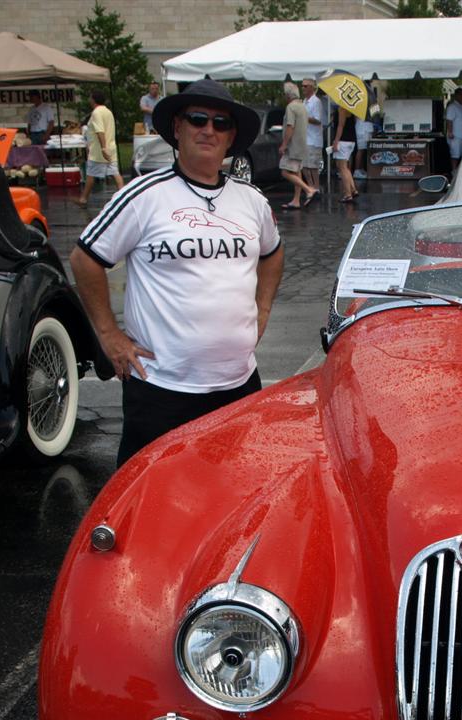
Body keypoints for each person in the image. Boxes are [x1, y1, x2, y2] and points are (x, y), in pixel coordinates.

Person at [69, 79, 283, 468]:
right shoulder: (143, 195)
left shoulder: (251, 200)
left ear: (231, 136)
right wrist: (108, 335)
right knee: (151, 503)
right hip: (161, 390)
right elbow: (86, 258)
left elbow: (273, 252)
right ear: (178, 129)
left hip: (239, 384)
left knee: (231, 494)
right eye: (197, 119)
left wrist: (262, 309)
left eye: (220, 123)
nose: (209, 129)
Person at [78, 90, 124, 205]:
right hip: (111, 148)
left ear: (93, 100)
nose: (89, 100)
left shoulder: (96, 113)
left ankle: (83, 199)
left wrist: (103, 148)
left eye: (90, 98)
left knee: (91, 175)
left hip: (99, 150)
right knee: (115, 173)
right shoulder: (108, 112)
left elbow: (100, 131)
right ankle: (124, 196)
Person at [278, 81, 316, 209]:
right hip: (302, 144)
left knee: (285, 171)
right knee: (297, 171)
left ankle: (308, 189)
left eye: (284, 94)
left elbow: (290, 126)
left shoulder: (291, 107)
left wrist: (284, 144)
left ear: (288, 95)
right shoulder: (302, 106)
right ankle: (296, 200)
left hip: (293, 146)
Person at [301, 78, 325, 192]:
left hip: (314, 139)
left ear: (311, 87)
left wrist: (304, 117)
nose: (303, 88)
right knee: (304, 165)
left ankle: (316, 187)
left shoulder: (316, 102)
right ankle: (311, 186)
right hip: (305, 138)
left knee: (313, 166)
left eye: (305, 86)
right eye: (302, 86)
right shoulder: (304, 101)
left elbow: (318, 120)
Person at [331, 105, 358, 202]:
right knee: (344, 166)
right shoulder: (351, 109)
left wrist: (336, 141)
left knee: (342, 168)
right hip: (351, 140)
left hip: (343, 140)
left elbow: (340, 125)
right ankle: (353, 189)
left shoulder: (342, 109)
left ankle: (347, 194)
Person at [353, 81, 378, 179]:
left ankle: (361, 168)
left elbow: (375, 112)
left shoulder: (369, 97)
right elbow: (374, 112)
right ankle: (357, 170)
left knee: (364, 150)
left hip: (366, 126)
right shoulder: (363, 98)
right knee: (361, 149)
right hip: (363, 127)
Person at [445, 87, 462, 172]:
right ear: (456, 95)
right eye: (461, 95)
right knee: (455, 155)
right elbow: (449, 120)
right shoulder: (452, 107)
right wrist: (450, 132)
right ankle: (454, 171)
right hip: (456, 136)